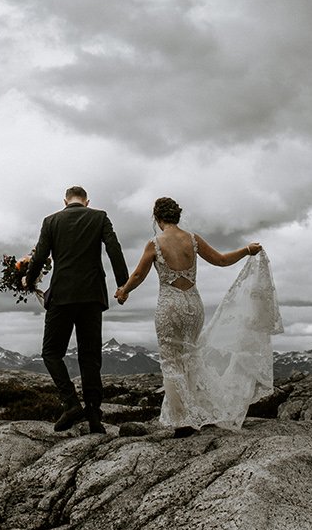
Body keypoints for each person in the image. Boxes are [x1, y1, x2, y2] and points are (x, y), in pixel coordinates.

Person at [116, 196, 280, 435]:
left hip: (170, 305)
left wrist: (123, 291)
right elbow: (221, 260)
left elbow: (139, 275)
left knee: (171, 361)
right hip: (193, 305)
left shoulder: (154, 243)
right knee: (191, 357)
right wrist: (246, 250)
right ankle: (198, 409)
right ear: (177, 216)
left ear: (157, 218)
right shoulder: (192, 240)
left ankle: (182, 420)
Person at [23, 185, 128, 435]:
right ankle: (93, 415)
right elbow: (114, 249)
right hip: (92, 295)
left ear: (65, 201)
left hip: (62, 295)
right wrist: (124, 284)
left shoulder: (51, 221)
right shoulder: (99, 217)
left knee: (51, 352)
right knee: (90, 356)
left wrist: (29, 279)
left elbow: (40, 256)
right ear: (87, 201)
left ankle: (70, 403)